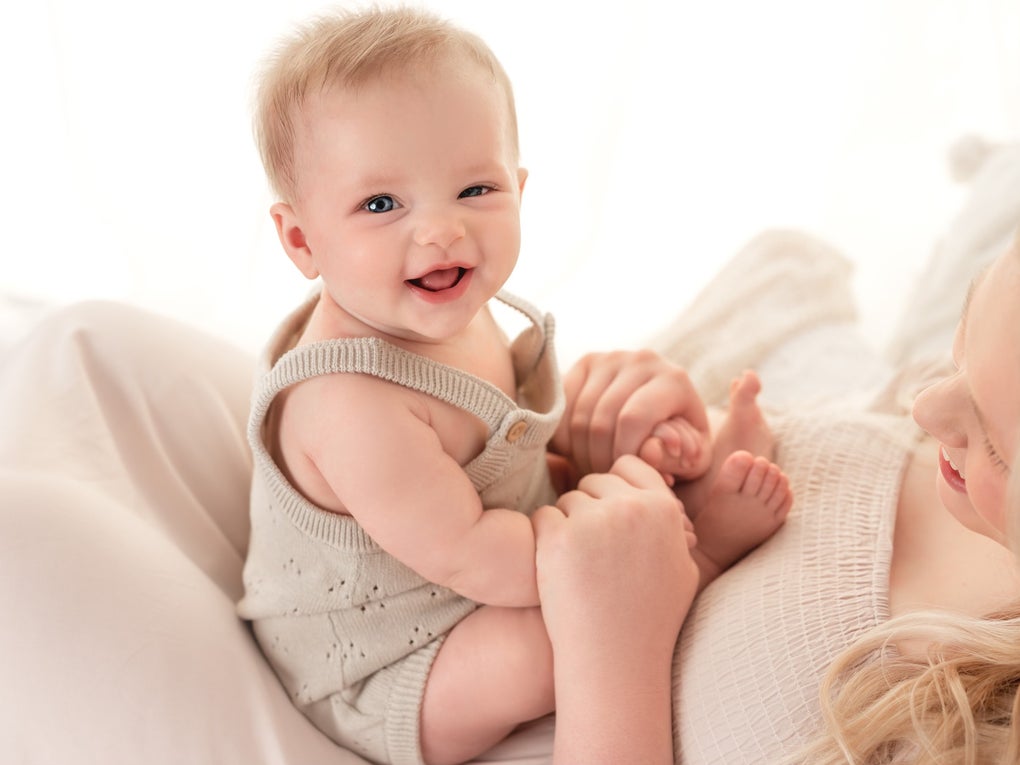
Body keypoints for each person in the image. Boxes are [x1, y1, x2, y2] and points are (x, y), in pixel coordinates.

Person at [236, 7, 791, 765]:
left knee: (598, 493)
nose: (442, 231)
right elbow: (470, 551)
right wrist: (621, 546)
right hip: (390, 664)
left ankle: (666, 497)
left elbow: (510, 446)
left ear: (520, 188)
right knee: (542, 646)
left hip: (490, 547)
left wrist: (608, 457)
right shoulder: (350, 404)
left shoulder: (446, 305)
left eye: (474, 189)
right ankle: (695, 557)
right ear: (302, 239)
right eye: (380, 204)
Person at [534, 228, 1020, 764]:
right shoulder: (944, 435)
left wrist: (611, 655)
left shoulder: (957, 737)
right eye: (960, 350)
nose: (927, 411)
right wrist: (674, 435)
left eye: (996, 448)